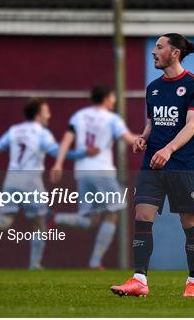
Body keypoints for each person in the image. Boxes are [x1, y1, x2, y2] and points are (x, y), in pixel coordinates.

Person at [110, 33, 194, 298]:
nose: (153, 51)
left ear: (174, 52)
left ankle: (193, 283)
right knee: (142, 216)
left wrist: (169, 149)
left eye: (159, 46)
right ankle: (139, 280)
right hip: (153, 164)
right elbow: (153, 122)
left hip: (183, 165)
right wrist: (144, 138)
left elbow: (192, 125)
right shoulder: (153, 88)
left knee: (189, 222)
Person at [0, 98, 98, 269]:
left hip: (11, 180)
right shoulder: (41, 133)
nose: (49, 115)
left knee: (4, 223)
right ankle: (35, 264)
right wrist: (84, 153)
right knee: (40, 222)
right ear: (38, 115)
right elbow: (56, 152)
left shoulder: (14, 130)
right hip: (31, 182)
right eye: (46, 111)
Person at [50, 85, 138, 270]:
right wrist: (153, 137)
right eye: (113, 97)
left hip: (82, 172)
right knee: (113, 213)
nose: (114, 100)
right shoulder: (112, 119)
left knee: (89, 219)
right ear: (106, 98)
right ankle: (95, 262)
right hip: (102, 171)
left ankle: (56, 218)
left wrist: (58, 164)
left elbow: (66, 140)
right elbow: (130, 139)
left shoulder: (79, 116)